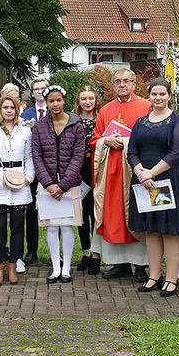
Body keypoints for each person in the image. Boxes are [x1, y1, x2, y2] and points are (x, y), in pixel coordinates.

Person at [128, 78, 179, 297]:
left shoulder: (177, 121)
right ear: (149, 96)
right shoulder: (140, 122)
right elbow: (132, 151)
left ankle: (171, 278)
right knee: (151, 230)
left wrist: (151, 173)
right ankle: (154, 276)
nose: (158, 98)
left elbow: (176, 152)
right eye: (154, 94)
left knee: (170, 231)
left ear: (169, 96)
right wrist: (140, 173)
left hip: (167, 181)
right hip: (145, 184)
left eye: (162, 94)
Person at [88, 68, 151, 281]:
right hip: (112, 174)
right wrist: (106, 141)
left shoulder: (146, 107)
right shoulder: (105, 110)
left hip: (136, 171)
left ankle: (141, 266)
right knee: (115, 216)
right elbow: (95, 139)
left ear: (134, 84)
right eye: (117, 82)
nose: (122, 85)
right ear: (112, 85)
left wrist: (125, 142)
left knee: (137, 213)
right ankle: (120, 264)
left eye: (126, 81)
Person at [0, 90, 34, 285]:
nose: (9, 110)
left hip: (20, 181)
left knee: (18, 226)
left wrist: (28, 178)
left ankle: (13, 265)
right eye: (5, 107)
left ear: (17, 109)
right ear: (0, 108)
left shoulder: (25, 130)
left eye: (12, 107)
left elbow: (29, 158)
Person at [31, 85, 85, 284]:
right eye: (51, 101)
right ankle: (55, 268)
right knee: (52, 227)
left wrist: (63, 185)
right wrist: (48, 184)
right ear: (46, 103)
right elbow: (36, 157)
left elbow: (78, 156)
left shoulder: (76, 125)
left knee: (67, 226)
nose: (55, 104)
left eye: (58, 100)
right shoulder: (39, 127)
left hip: (69, 185)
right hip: (47, 186)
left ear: (64, 101)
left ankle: (66, 269)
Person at [19, 76, 49, 265]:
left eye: (42, 88)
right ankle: (32, 249)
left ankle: (56, 249)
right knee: (30, 211)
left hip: (50, 168)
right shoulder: (25, 115)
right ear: (32, 92)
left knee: (53, 211)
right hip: (30, 169)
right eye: (36, 89)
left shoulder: (56, 111)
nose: (39, 91)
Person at [74, 85, 101, 275]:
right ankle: (85, 252)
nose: (87, 102)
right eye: (84, 99)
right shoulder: (73, 121)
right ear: (79, 101)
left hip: (97, 171)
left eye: (90, 98)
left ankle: (97, 256)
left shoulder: (102, 119)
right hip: (78, 173)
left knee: (96, 215)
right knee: (81, 215)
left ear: (95, 100)